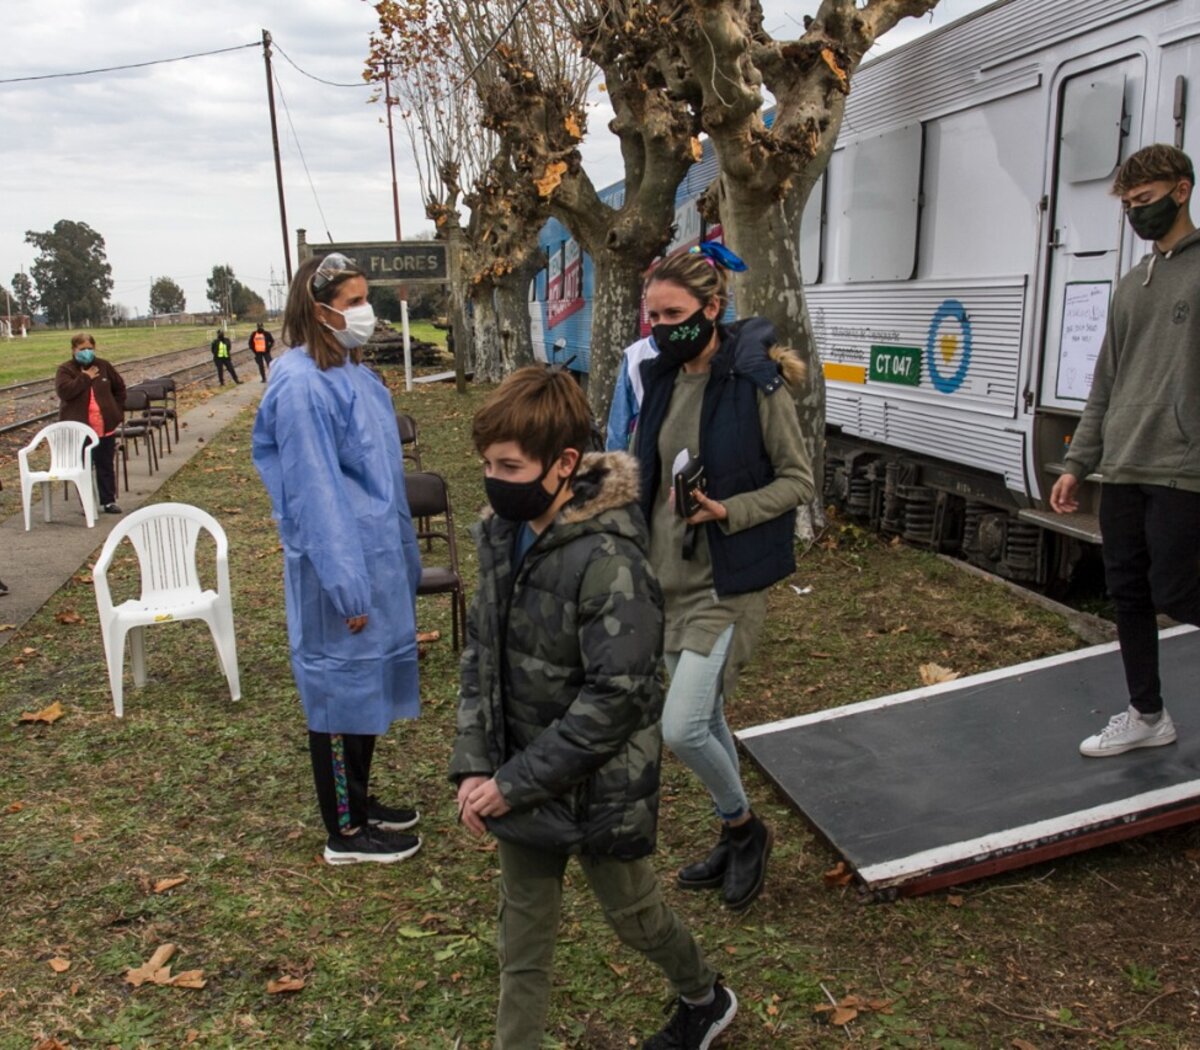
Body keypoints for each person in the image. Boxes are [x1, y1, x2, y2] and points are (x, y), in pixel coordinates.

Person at [450, 367, 737, 1050]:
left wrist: (509, 782)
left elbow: (617, 699)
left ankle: (704, 996)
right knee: (522, 944)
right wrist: (472, 767)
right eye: (487, 463)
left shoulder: (611, 561)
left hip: (599, 791)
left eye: (509, 465)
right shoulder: (500, 535)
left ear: (565, 465)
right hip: (517, 781)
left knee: (636, 917)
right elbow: (479, 661)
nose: (494, 478)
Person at [632, 243, 813, 912]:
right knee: (704, 719)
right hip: (664, 584)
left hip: (723, 587)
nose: (661, 327)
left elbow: (798, 481)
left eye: (674, 314)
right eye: (652, 315)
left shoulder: (753, 383)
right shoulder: (658, 379)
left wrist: (728, 510)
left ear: (713, 309)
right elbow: (646, 477)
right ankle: (735, 833)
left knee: (681, 729)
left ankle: (745, 828)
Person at [252, 252, 424, 864]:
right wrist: (348, 587)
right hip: (339, 570)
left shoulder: (353, 374)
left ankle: (361, 798)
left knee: (365, 684)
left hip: (373, 558)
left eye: (362, 298)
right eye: (351, 302)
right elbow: (316, 494)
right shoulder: (300, 386)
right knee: (335, 693)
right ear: (318, 309)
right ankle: (345, 832)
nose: (363, 312)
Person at [1051, 143, 1200, 758]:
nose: (1138, 214)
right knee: (1128, 593)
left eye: (1146, 201)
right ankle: (1146, 713)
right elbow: (1105, 381)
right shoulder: (1131, 284)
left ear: (1182, 190)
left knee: (1177, 591)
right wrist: (1078, 463)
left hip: (1182, 465)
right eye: (1130, 205)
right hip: (1123, 464)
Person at [55, 332, 126, 515]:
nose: (86, 352)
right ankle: (87, 503)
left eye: (89, 348)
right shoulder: (66, 370)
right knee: (83, 467)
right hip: (79, 429)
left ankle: (108, 501)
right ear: (73, 350)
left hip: (103, 427)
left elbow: (119, 388)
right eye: (82, 349)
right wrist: (85, 377)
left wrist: (116, 410)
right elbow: (65, 392)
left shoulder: (104, 366)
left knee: (105, 465)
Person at [606, 334, 659, 451]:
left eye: (673, 314)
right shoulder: (635, 356)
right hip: (645, 451)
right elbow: (619, 425)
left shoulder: (701, 356)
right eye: (654, 316)